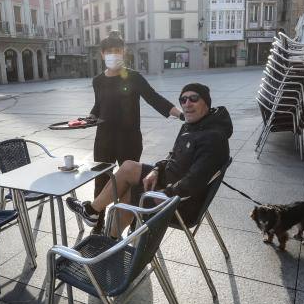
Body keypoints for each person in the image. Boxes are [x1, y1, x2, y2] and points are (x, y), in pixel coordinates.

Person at [68, 83, 232, 237]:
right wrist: (156, 169)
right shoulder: (192, 125)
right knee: (128, 166)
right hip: (169, 180)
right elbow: (172, 155)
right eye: (183, 99)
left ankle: (109, 239)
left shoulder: (213, 138)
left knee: (128, 194)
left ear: (206, 103)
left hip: (179, 203)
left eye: (194, 98)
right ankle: (92, 212)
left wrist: (166, 193)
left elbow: (195, 180)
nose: (187, 103)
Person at [87, 31, 181, 229]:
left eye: (118, 51)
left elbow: (154, 98)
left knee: (129, 184)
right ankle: (97, 222)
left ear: (123, 53)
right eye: (110, 51)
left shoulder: (134, 77)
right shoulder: (98, 80)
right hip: (103, 138)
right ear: (102, 54)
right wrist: (90, 116)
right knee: (101, 179)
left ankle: (130, 220)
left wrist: (180, 114)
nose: (114, 55)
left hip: (129, 138)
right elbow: (99, 105)